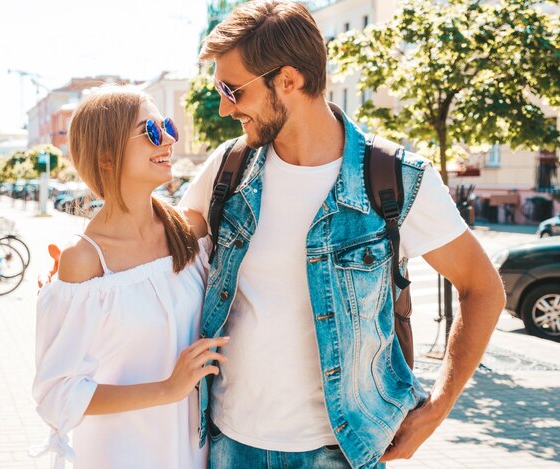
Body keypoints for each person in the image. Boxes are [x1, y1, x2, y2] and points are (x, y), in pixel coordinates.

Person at [179, 1, 506, 468]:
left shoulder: (395, 178)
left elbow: (483, 289)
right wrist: (88, 267)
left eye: (232, 90)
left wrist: (435, 410)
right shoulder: (229, 167)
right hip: (229, 443)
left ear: (288, 80)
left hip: (343, 451)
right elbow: (167, 242)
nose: (223, 107)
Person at [31, 85, 228, 469]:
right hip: (122, 453)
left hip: (195, 450)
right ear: (107, 156)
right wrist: (168, 389)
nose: (169, 138)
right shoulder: (84, 261)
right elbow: (58, 394)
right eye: (151, 131)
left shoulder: (189, 231)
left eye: (166, 125)